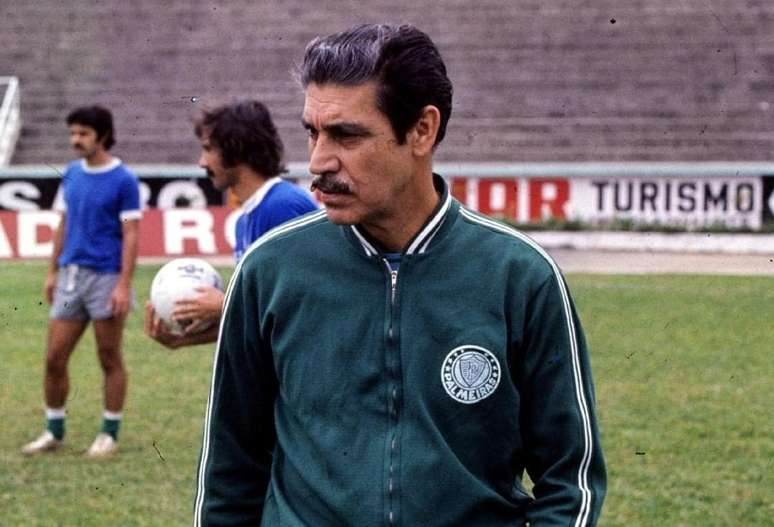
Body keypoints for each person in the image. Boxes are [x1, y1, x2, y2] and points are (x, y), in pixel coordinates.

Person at [193, 24, 607, 526]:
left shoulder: (520, 276)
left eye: (346, 135)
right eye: (313, 132)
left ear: (422, 130)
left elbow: (570, 479)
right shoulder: (268, 270)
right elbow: (229, 474)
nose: (318, 161)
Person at [144, 100, 317, 349]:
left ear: (235, 149)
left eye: (208, 149)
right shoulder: (245, 220)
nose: (202, 162)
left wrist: (225, 303)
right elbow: (259, 320)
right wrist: (182, 340)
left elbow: (306, 301)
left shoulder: (282, 206)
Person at [22, 105, 140, 458]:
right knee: (54, 357)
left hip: (106, 277)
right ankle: (53, 431)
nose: (76, 139)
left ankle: (109, 433)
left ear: (103, 136)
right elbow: (63, 224)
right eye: (73, 132)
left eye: (84, 133)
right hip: (71, 277)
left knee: (109, 357)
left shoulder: (124, 179)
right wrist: (52, 270)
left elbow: (131, 234)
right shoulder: (71, 173)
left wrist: (123, 284)